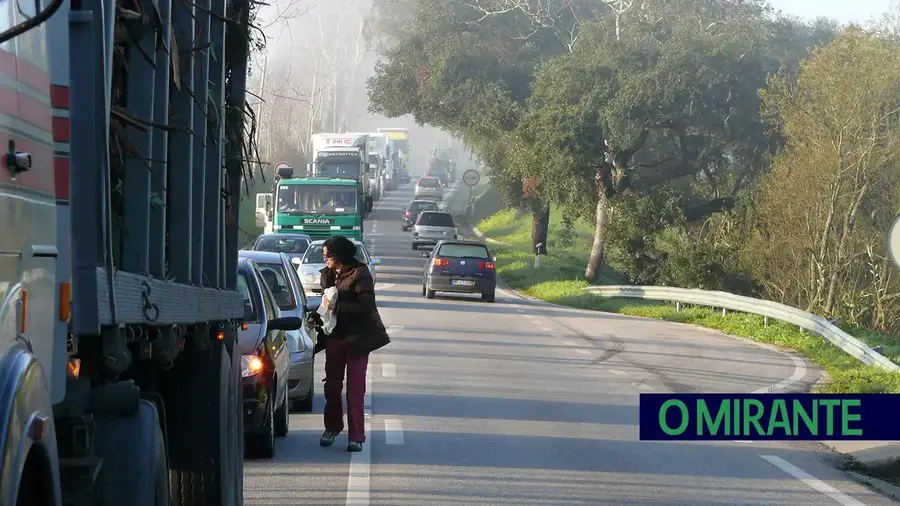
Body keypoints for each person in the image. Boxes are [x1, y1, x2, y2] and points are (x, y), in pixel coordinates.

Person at [309, 235, 390, 452]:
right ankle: (332, 427)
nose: (324, 259)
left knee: (355, 390)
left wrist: (338, 308)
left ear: (339, 255)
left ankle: (356, 436)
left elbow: (366, 307)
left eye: (327, 255)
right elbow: (326, 304)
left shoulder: (360, 273)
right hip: (335, 337)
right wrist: (316, 317)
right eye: (323, 255)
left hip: (358, 339)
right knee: (332, 387)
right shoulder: (327, 274)